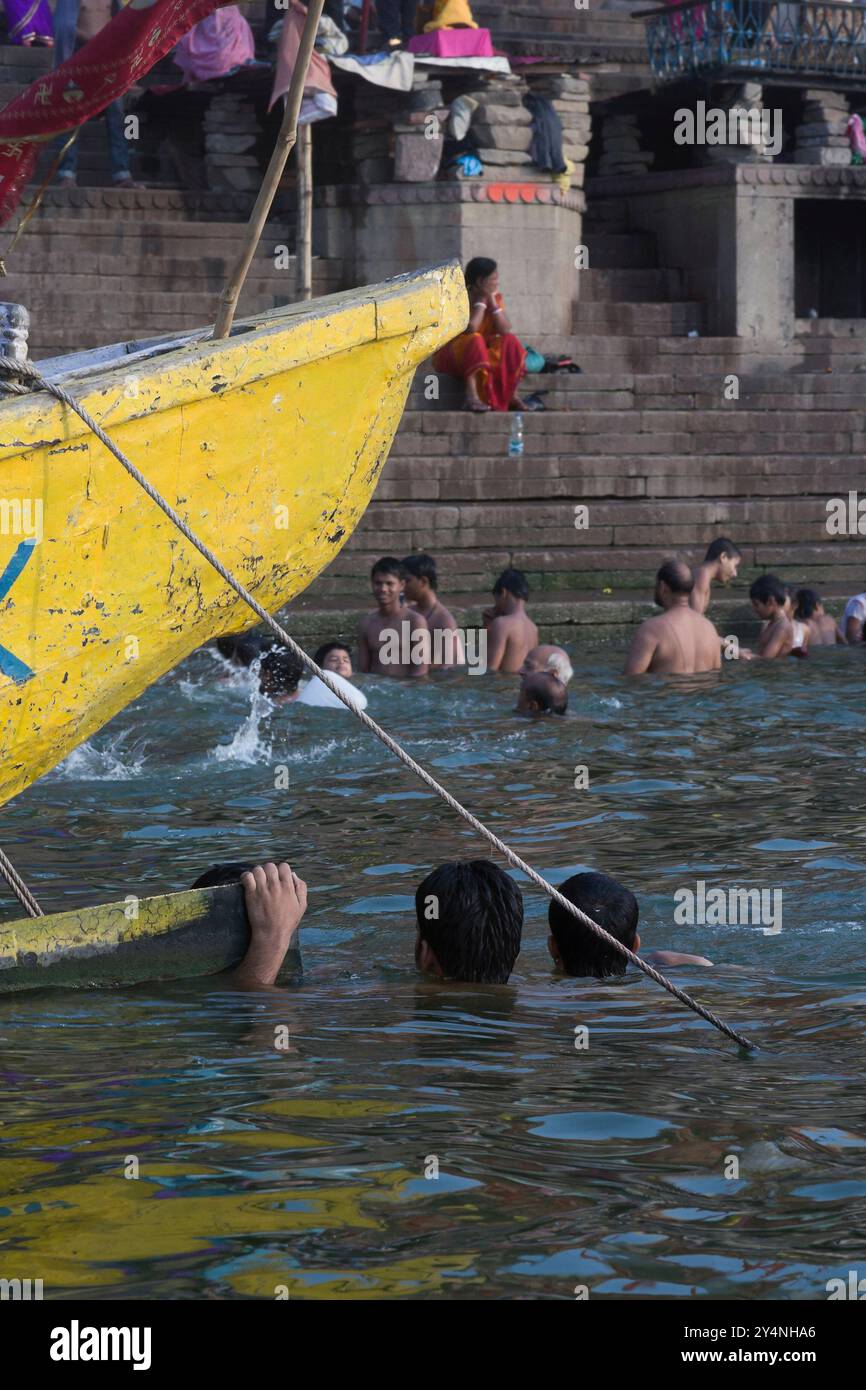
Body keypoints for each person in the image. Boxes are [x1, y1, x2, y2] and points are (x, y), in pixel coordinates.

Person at [215, 858, 523, 988]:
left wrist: (272, 936)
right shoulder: (549, 998)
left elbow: (254, 1018)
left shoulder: (385, 998)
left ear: (426, 954)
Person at [548, 870, 712, 979]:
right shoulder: (656, 971)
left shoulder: (540, 996)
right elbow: (705, 965)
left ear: (552, 947)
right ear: (636, 945)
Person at [53, 0, 142, 190]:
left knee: (118, 117)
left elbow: (123, 27)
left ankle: (122, 173)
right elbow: (64, 27)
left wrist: (129, 72)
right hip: (80, 62)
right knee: (70, 119)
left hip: (108, 64)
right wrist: (94, 40)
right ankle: (66, 174)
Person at [432, 257, 529, 413]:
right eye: (493, 279)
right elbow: (471, 328)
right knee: (475, 339)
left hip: (481, 353)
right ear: (480, 281)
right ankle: (472, 397)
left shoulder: (495, 298)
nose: (497, 283)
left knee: (510, 340)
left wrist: (491, 300)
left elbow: (505, 329)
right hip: (452, 354)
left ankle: (512, 395)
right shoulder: (458, 297)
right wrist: (482, 302)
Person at [624, 560, 721, 676]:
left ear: (663, 588)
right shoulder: (710, 629)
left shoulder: (651, 629)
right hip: (704, 692)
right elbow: (716, 676)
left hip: (666, 692)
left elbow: (631, 681)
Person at [358, 556, 430, 679]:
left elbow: (421, 673)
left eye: (389, 583)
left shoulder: (415, 621)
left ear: (401, 585)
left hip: (407, 691)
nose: (383, 589)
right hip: (378, 690)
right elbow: (363, 673)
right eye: (378, 583)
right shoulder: (366, 624)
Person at [402, 553, 464, 667]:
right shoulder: (407, 611)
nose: (402, 586)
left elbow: (448, 668)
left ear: (423, 581)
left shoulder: (444, 621)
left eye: (407, 581)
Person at [483, 568, 539, 673]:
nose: (495, 606)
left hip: (504, 688)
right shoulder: (533, 628)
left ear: (503, 593)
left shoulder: (501, 624)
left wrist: (487, 629)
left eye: (496, 600)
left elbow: (489, 671)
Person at [296, 641, 368, 711]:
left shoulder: (364, 688)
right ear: (319, 667)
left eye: (346, 660)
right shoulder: (307, 687)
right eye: (334, 660)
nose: (341, 662)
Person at [743, 574, 796, 660]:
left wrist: (740, 654)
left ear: (770, 601)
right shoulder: (772, 624)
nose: (754, 609)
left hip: (775, 672)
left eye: (756, 604)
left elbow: (766, 660)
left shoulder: (782, 627)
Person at [690, 538, 743, 614]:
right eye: (735, 566)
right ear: (723, 557)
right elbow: (694, 620)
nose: (735, 574)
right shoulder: (702, 576)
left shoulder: (703, 575)